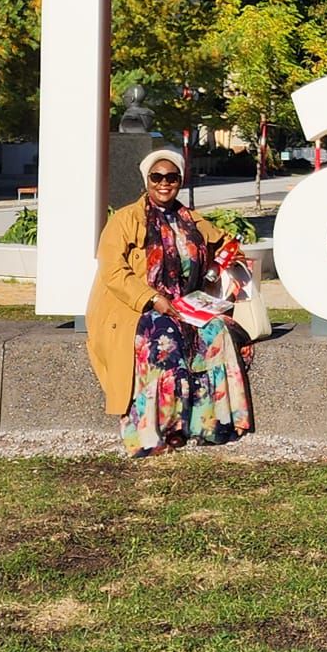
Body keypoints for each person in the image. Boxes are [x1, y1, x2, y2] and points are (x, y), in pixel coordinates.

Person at [86, 148, 255, 456]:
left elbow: (228, 246)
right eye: (157, 177)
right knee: (164, 337)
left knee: (216, 332)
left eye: (171, 177)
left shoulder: (192, 220)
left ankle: (208, 424)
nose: (164, 183)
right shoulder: (125, 220)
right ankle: (158, 431)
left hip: (188, 304)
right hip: (137, 306)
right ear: (146, 180)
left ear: (180, 180)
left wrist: (220, 267)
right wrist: (152, 298)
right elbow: (112, 270)